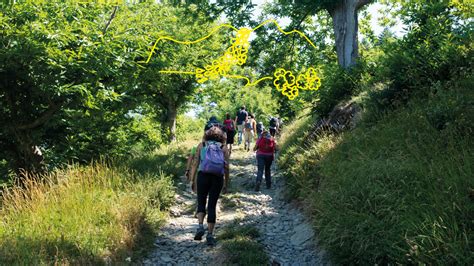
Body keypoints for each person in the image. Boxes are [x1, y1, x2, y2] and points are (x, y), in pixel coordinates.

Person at [189, 126, 230, 246]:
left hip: (203, 176)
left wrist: (192, 180)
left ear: (207, 135)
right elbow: (226, 167)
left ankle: (200, 226)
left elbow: (195, 163)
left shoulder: (202, 145)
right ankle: (210, 235)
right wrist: (226, 183)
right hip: (217, 178)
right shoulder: (223, 148)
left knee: (201, 202)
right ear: (221, 136)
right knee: (212, 205)